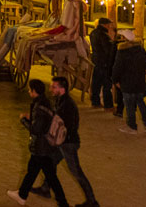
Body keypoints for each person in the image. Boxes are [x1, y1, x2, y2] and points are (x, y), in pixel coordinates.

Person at [29, 76, 97, 207]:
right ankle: (45, 188)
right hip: (64, 142)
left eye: (54, 87)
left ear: (62, 89)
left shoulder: (67, 105)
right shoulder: (62, 101)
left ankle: (92, 201)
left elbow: (64, 125)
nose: (50, 89)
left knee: (76, 172)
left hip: (68, 144)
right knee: (50, 163)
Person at [7, 79, 69, 207]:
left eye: (30, 90)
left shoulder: (39, 107)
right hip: (45, 146)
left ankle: (63, 203)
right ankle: (22, 195)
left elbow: (36, 129)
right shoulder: (45, 102)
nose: (29, 92)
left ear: (34, 91)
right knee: (33, 171)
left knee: (50, 176)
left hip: (42, 147)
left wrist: (23, 120)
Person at [111, 29, 146, 133]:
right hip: (139, 81)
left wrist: (115, 80)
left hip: (127, 82)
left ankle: (132, 126)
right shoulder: (140, 50)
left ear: (124, 39)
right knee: (140, 102)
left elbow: (117, 67)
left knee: (129, 104)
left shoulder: (122, 52)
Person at [88, 17, 116, 110]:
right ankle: (108, 105)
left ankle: (95, 102)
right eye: (108, 24)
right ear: (104, 25)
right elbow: (108, 50)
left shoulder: (93, 33)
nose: (110, 26)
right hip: (104, 62)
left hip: (96, 60)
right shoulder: (103, 35)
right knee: (106, 84)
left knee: (96, 82)